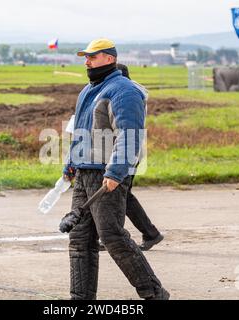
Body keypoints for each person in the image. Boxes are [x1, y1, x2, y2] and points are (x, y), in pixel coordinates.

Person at [61, 38, 169, 300]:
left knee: (112, 236)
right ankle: (81, 299)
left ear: (109, 58)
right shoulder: (88, 90)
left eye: (92, 57)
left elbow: (129, 135)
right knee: (79, 239)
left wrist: (116, 172)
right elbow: (80, 132)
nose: (87, 61)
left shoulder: (124, 91)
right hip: (86, 170)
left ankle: (154, 293)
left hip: (106, 172)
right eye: (85, 57)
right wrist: (71, 163)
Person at [98, 63, 164, 252]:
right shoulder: (129, 92)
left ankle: (136, 234)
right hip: (125, 152)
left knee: (119, 195)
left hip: (125, 153)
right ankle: (150, 233)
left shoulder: (126, 96)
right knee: (123, 195)